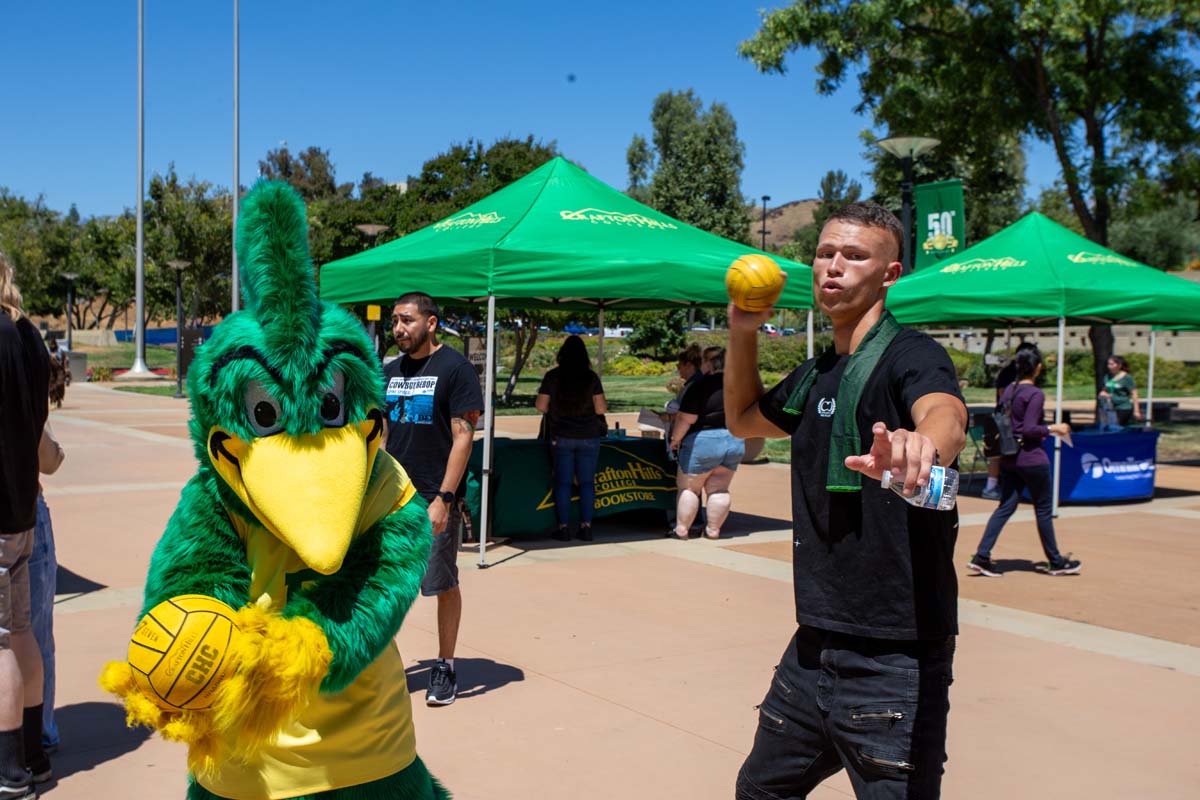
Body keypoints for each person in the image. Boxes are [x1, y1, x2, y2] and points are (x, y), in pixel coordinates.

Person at [725, 203, 967, 799]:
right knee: (759, 792)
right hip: (813, 646)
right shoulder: (816, 375)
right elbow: (744, 419)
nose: (833, 266)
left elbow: (945, 412)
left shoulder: (911, 353)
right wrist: (742, 334)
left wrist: (921, 446)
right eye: (825, 253)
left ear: (890, 274)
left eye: (855, 256)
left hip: (895, 658)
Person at [384, 292, 483, 707]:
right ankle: (381, 667)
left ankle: (445, 665)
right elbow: (382, 434)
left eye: (406, 320)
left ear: (431, 323)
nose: (398, 328)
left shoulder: (455, 369)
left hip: (432, 496)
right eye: (394, 321)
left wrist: (444, 497)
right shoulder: (389, 371)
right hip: (391, 499)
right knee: (384, 584)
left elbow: (464, 437)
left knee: (440, 583)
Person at [0, 253, 52, 798]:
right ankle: (32, 755)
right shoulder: (30, 336)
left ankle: (8, 768)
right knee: (20, 632)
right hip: (22, 509)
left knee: (1, 643)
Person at [968, 348, 1082, 578]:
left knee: (1005, 507)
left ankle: (982, 555)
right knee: (1043, 509)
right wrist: (1054, 428)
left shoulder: (1010, 390)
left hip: (1010, 457)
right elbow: (1029, 429)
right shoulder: (1035, 394)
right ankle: (1055, 561)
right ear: (1038, 368)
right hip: (1032, 458)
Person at [535, 336, 607, 542]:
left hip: (561, 435)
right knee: (587, 483)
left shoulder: (552, 377)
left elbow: (541, 406)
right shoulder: (591, 378)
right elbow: (601, 408)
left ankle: (564, 527)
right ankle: (586, 526)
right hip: (589, 435)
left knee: (563, 483)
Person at [669, 347, 743, 540]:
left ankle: (682, 529)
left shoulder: (701, 385)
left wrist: (675, 440)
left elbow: (686, 418)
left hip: (702, 441)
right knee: (719, 489)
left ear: (709, 364)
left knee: (689, 488)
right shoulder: (739, 385)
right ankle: (713, 530)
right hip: (734, 440)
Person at [30, 426, 63, 757]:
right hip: (21, 514)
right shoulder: (22, 392)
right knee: (33, 636)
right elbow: (49, 459)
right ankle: (39, 732)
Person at [981, 342, 1038, 500]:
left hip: (1013, 419)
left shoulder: (1023, 374)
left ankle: (1013, 487)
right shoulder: (1010, 372)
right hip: (1003, 420)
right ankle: (990, 487)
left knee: (1012, 454)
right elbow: (1003, 393)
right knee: (997, 453)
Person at [1099, 354, 1142, 427]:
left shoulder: (1127, 378)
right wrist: (1103, 393)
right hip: (1109, 407)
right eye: (1108, 364)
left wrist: (1136, 411)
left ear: (1119, 365)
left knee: (1118, 427)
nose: (1109, 366)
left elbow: (1134, 394)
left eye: (1112, 364)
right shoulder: (1107, 376)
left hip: (1123, 407)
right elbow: (1105, 389)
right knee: (1109, 428)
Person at [44, 338, 66, 411]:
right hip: (51, 370)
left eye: (53, 345)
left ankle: (59, 399)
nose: (51, 346)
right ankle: (53, 400)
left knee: (60, 384)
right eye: (50, 345)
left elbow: (65, 362)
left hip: (59, 369)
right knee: (51, 385)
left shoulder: (60, 352)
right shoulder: (47, 351)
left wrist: (67, 372)